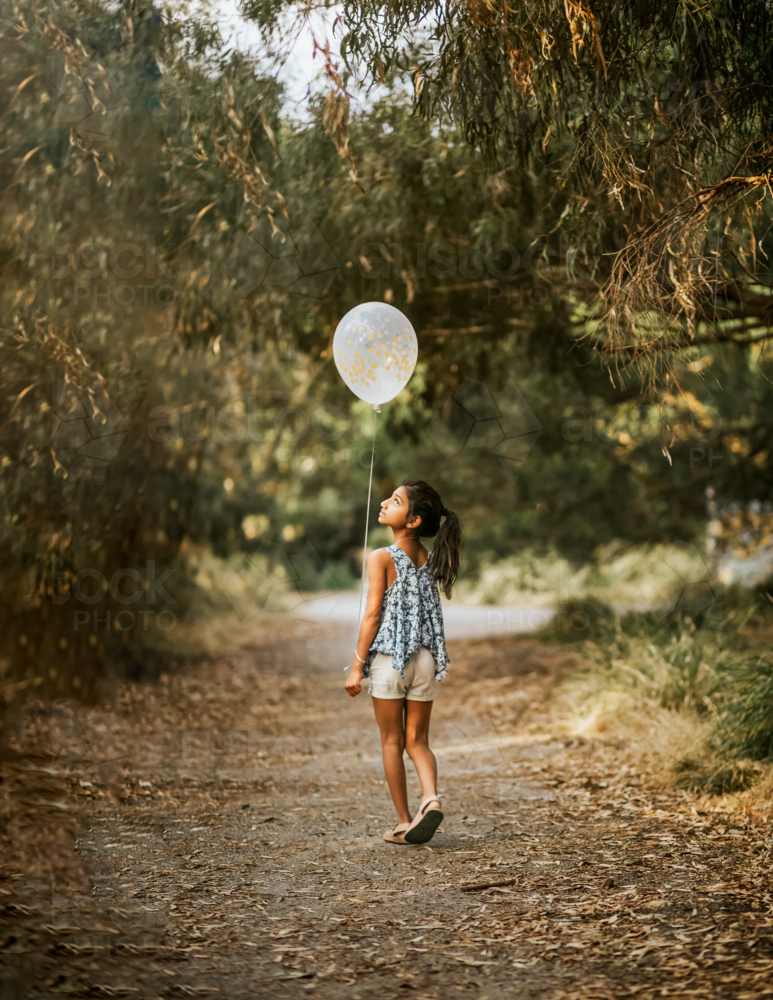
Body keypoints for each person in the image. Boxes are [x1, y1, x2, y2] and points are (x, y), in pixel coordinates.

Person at [344, 480, 462, 845]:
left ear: (412, 520)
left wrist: (356, 665)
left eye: (394, 501)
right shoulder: (430, 556)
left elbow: (373, 614)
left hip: (391, 660)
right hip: (425, 658)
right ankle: (432, 797)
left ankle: (401, 822)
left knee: (391, 741)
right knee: (419, 741)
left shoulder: (381, 557)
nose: (383, 502)